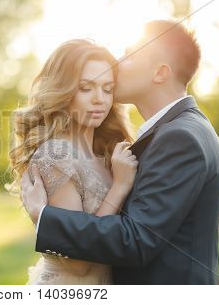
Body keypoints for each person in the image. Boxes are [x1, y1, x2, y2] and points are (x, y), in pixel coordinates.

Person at [20, 20, 219, 284]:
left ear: (160, 73)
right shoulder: (178, 130)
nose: (118, 63)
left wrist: (44, 216)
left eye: (129, 55)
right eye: (87, 87)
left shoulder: (179, 137)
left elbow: (135, 239)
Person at [8, 38, 138, 284]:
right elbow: (78, 263)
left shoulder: (106, 154)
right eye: (86, 88)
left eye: (107, 89)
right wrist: (120, 187)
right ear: (64, 91)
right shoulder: (56, 155)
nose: (99, 98)